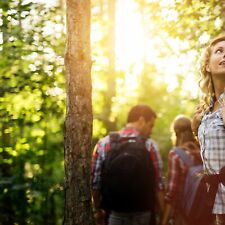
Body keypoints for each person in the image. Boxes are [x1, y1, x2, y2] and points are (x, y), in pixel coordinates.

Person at [91, 104, 165, 225]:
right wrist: (163, 215)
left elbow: (95, 183)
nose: (151, 131)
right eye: (150, 126)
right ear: (141, 120)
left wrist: (98, 210)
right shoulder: (150, 145)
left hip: (114, 213)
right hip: (143, 213)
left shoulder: (104, 144)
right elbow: (159, 184)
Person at [192, 34, 225, 225]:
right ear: (207, 65)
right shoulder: (206, 108)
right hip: (216, 200)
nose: (224, 55)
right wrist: (195, 128)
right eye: (219, 51)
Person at [161, 116, 201, 225]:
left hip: (184, 215)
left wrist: (164, 221)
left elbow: (172, 193)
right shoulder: (202, 151)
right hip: (204, 212)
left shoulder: (176, 155)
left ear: (175, 133)